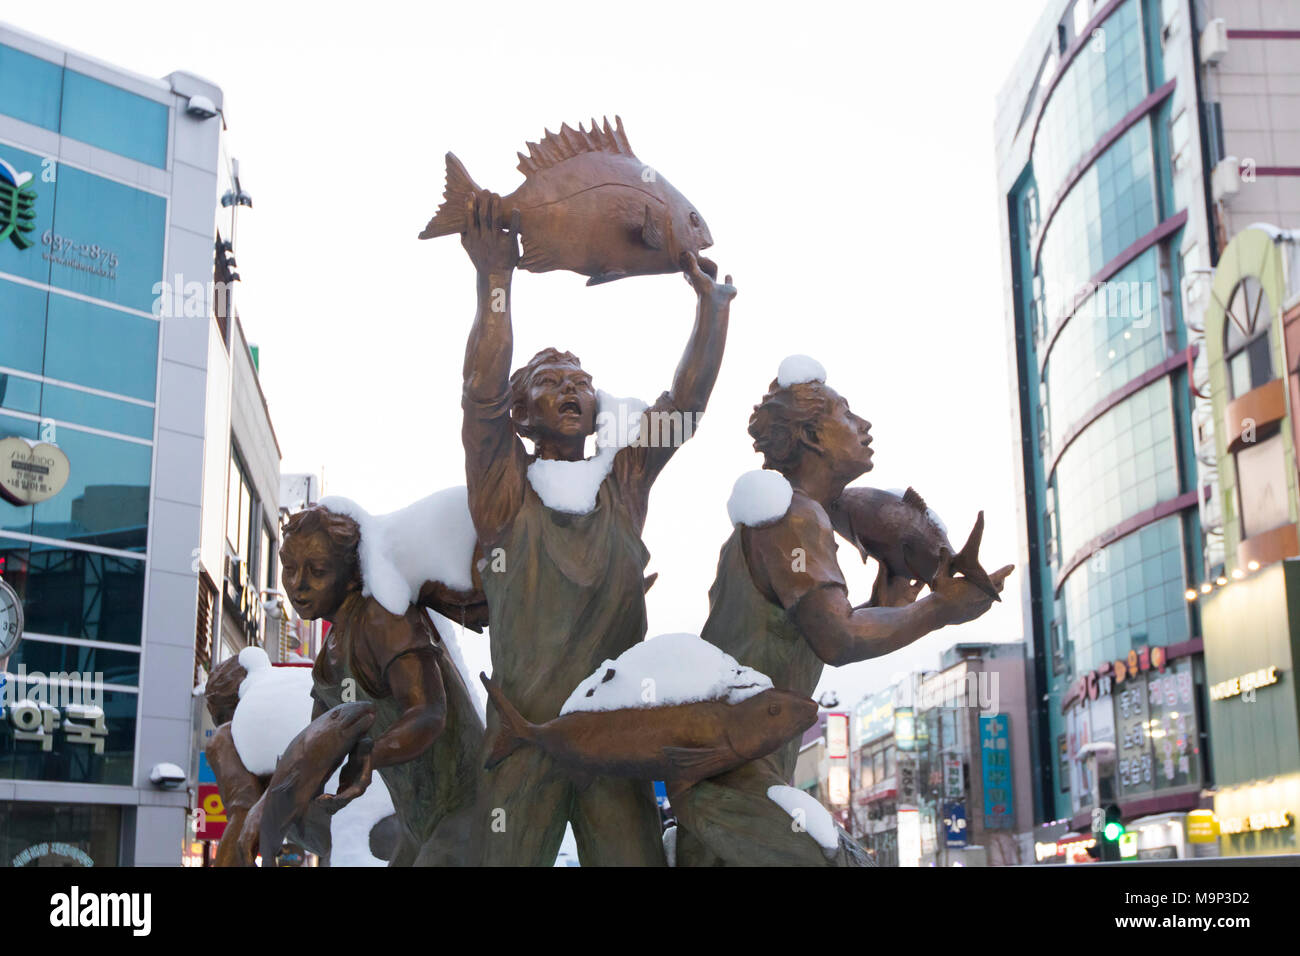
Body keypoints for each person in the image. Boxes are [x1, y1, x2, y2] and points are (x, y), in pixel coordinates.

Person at [459, 191, 736, 865]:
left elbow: (685, 407)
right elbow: (482, 390)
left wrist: (712, 312)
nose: (572, 388)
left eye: (581, 380)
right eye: (552, 381)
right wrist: (495, 281)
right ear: (521, 417)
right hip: (523, 745)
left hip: (612, 744)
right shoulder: (505, 495)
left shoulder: (625, 485)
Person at [672, 368, 1013, 866]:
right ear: (811, 435)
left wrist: (893, 605)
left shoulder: (784, 515)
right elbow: (839, 638)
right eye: (847, 414)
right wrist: (939, 608)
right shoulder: (791, 517)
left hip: (730, 780)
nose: (865, 425)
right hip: (730, 785)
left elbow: (827, 628)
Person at [278, 505, 483, 866]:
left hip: (473, 810)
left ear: (352, 574)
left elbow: (429, 712)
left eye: (318, 571)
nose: (298, 585)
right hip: (419, 824)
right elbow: (317, 745)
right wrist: (273, 809)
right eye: (290, 569)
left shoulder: (383, 618)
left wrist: (371, 753)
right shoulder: (330, 653)